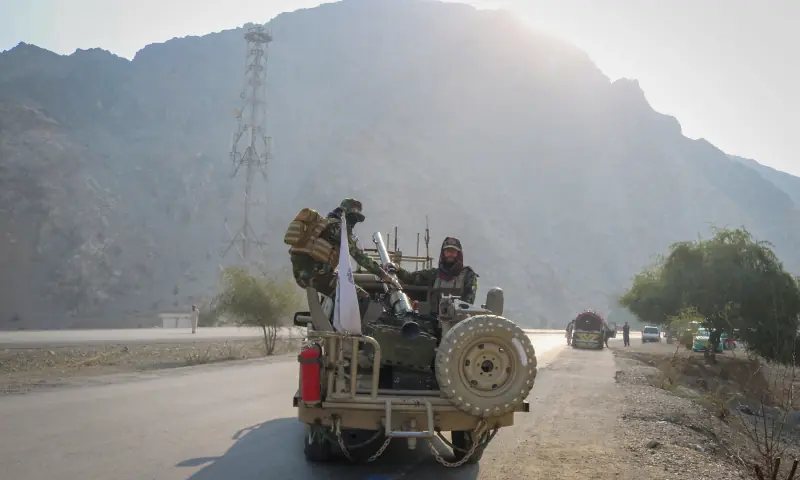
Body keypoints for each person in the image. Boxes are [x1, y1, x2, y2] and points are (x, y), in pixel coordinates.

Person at [287, 198, 395, 317]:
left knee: (339, 292)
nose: (354, 223)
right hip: (319, 276)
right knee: (361, 298)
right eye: (354, 218)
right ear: (348, 215)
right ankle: (345, 333)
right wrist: (383, 275)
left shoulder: (324, 224)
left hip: (302, 275)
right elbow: (360, 257)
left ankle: (329, 324)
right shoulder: (339, 228)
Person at [387, 237, 479, 310]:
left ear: (458, 254)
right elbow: (411, 278)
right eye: (447, 252)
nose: (450, 254)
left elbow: (469, 302)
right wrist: (398, 269)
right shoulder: (434, 274)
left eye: (453, 252)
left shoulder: (468, 276)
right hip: (434, 320)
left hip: (458, 320)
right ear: (443, 254)